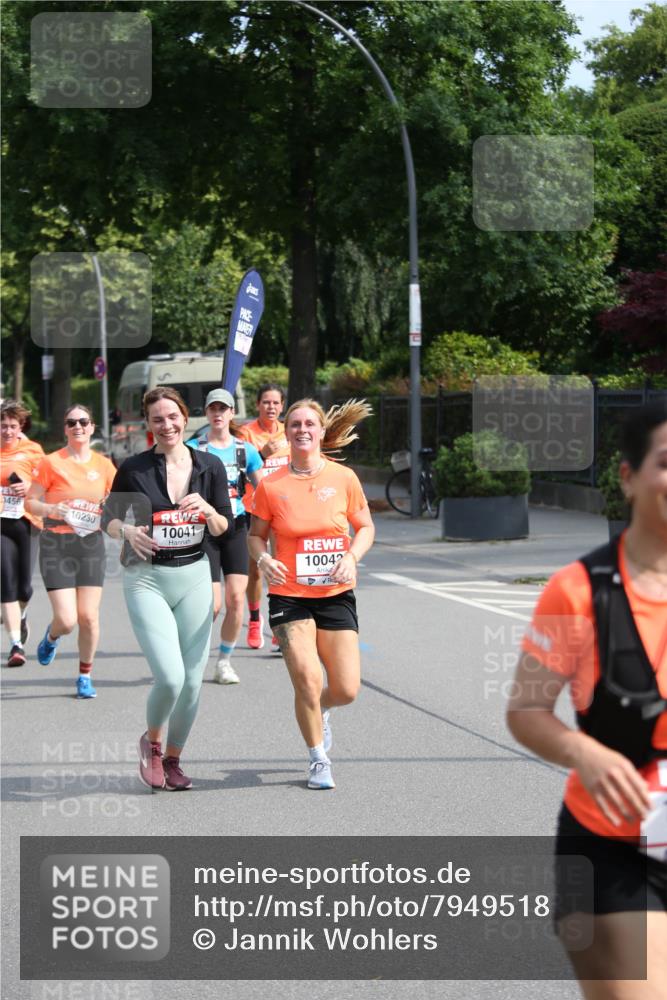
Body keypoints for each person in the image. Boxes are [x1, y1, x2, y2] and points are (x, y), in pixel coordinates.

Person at [507, 400, 667, 998]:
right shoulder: (579, 591)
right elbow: (525, 712)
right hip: (612, 852)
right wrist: (585, 753)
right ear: (629, 477)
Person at [102, 387, 232, 791]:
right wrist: (125, 530)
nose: (167, 425)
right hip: (146, 578)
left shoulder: (209, 466)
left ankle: (173, 758)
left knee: (193, 681)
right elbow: (106, 516)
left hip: (193, 574)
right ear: (148, 424)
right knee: (171, 677)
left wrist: (209, 511)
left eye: (173, 416)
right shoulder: (134, 468)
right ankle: (152, 744)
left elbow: (223, 527)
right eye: (158, 419)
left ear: (184, 417)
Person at [248, 398, 375, 790]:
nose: (302, 430)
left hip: (335, 593)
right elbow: (255, 537)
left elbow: (366, 527)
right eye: (294, 424)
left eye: (309, 424)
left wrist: (353, 556)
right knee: (305, 677)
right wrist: (264, 560)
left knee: (346, 690)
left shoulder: (344, 478)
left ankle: (322, 709)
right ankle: (318, 757)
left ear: (321, 431)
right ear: (285, 433)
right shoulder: (271, 486)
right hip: (289, 595)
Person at [26, 405, 116, 697]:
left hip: (90, 544)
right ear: (65, 429)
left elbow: (116, 502)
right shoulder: (51, 463)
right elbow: (31, 502)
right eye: (71, 422)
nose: (78, 426)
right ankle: (52, 637)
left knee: (89, 616)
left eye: (84, 421)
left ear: (92, 427)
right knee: (67, 620)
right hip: (56, 543)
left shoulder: (104, 465)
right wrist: (52, 508)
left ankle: (85, 676)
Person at [187, 388, 263, 684]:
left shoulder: (246, 450)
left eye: (224, 409)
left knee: (236, 600)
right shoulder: (195, 449)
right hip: (204, 529)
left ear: (232, 413)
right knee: (212, 604)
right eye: (212, 409)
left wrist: (269, 520)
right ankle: (193, 655)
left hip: (237, 526)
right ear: (206, 413)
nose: (218, 414)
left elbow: (264, 490)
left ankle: (224, 662)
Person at [237, 383, 290, 650]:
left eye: (276, 403)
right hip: (253, 508)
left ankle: (280, 628)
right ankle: (255, 621)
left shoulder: (289, 431)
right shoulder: (246, 433)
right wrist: (262, 454)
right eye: (266, 402)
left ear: (282, 406)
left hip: (282, 509)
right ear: (258, 405)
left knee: (280, 568)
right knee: (256, 569)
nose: (271, 407)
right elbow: (237, 470)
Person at [1, 400, 44, 667]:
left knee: (24, 587)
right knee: (5, 581)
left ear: (21, 427)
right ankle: (16, 645)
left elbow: (47, 484)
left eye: (12, 426)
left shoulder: (32, 450)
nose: (7, 431)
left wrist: (28, 485)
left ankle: (22, 614)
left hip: (27, 522)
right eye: (3, 426)